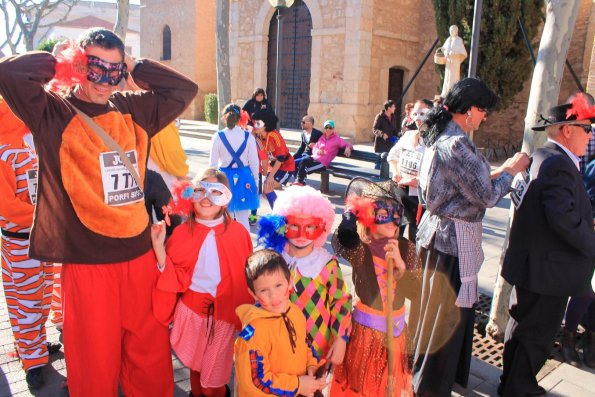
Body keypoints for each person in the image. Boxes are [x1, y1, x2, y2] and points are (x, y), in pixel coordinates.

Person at [0, 28, 198, 397]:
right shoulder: (52, 111)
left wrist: (135, 67)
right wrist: (62, 62)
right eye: (95, 68)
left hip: (139, 261)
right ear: (79, 65)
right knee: (93, 366)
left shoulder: (131, 107)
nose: (105, 80)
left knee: (149, 359)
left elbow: (183, 91)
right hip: (88, 265)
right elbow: (10, 75)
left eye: (114, 70)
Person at [412, 78, 529, 396]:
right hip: (452, 241)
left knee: (436, 314)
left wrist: (496, 170)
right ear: (467, 110)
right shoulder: (457, 143)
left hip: (439, 237)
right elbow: (487, 196)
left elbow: (456, 182)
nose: (485, 117)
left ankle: (433, 378)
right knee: (445, 319)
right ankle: (431, 387)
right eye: (483, 110)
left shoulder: (443, 135)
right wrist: (512, 170)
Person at [499, 94, 595, 396]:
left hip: (535, 266)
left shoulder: (544, 156)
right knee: (536, 333)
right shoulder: (557, 163)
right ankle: (520, 388)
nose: (591, 134)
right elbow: (562, 218)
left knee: (522, 328)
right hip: (547, 271)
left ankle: (512, 383)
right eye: (587, 128)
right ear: (568, 129)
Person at [151, 168, 254, 397]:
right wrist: (159, 250)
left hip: (223, 318)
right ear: (191, 196)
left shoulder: (239, 234)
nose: (206, 199)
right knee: (197, 371)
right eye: (200, 191)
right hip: (191, 314)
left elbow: (246, 279)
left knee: (213, 381)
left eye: (215, 192)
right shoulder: (180, 234)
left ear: (225, 199)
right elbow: (175, 278)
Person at [329, 178, 411, 397]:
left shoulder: (406, 249)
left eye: (396, 217)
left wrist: (402, 269)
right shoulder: (361, 250)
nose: (392, 223)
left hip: (396, 337)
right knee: (362, 386)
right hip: (365, 337)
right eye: (384, 216)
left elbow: (417, 290)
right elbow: (343, 238)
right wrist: (351, 211)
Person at [0, 97, 61, 389]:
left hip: (44, 236)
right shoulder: (3, 152)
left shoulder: (30, 140)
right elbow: (6, 206)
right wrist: (45, 214)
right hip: (21, 241)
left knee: (43, 294)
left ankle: (35, 346)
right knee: (25, 301)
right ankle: (32, 360)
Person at [257, 185, 352, 361]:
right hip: (276, 344)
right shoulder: (273, 259)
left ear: (322, 227)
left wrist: (341, 338)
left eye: (310, 227)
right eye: (294, 225)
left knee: (311, 387)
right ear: (282, 225)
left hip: (316, 345)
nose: (302, 234)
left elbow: (341, 302)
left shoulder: (326, 264)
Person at [235, 249, 326, 397]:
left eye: (278, 285)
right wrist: (298, 385)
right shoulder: (253, 333)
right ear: (253, 294)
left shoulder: (295, 312)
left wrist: (311, 366)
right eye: (264, 290)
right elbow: (255, 382)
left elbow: (304, 343)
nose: (274, 295)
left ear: (289, 282)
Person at [387, 99, 432, 241]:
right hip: (400, 194)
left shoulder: (434, 142)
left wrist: (418, 181)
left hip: (418, 200)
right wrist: (396, 172)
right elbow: (392, 156)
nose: (418, 118)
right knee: (394, 236)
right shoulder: (408, 136)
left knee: (414, 241)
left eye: (422, 113)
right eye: (415, 113)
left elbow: (436, 172)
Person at [209, 103, 259, 230]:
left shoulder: (217, 137)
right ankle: (246, 248)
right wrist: (256, 182)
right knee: (243, 219)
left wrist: (211, 186)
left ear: (224, 118)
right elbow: (254, 163)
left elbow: (212, 165)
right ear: (241, 118)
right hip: (245, 178)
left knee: (225, 218)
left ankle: (228, 247)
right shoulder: (249, 137)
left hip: (224, 179)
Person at [253, 108, 295, 209]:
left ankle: (280, 215)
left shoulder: (275, 136)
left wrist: (270, 176)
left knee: (268, 189)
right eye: (255, 123)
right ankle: (282, 209)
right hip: (273, 166)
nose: (255, 126)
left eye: (258, 123)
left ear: (266, 124)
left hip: (286, 166)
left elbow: (280, 158)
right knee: (265, 193)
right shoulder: (258, 136)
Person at [293, 120, 352, 186]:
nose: (328, 129)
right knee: (303, 161)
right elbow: (315, 148)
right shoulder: (322, 138)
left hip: (322, 163)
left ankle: (300, 182)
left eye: (330, 128)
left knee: (304, 168)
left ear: (333, 129)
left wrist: (348, 147)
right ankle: (299, 182)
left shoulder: (337, 139)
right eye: (326, 127)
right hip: (314, 158)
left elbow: (348, 144)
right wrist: (318, 151)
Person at [439, 25, 467, 98]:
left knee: (454, 76)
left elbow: (463, 53)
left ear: (456, 31)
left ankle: (453, 92)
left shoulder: (459, 40)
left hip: (455, 61)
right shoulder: (448, 39)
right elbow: (444, 49)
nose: (451, 32)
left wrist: (454, 53)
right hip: (449, 61)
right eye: (450, 30)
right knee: (447, 76)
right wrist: (446, 53)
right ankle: (446, 92)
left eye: (453, 30)